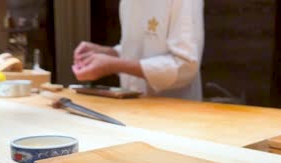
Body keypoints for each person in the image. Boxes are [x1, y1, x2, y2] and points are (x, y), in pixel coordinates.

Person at [73, 0, 204, 101]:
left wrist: (113, 65)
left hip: (176, 116)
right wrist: (108, 53)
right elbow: (140, 49)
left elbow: (185, 66)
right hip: (133, 109)